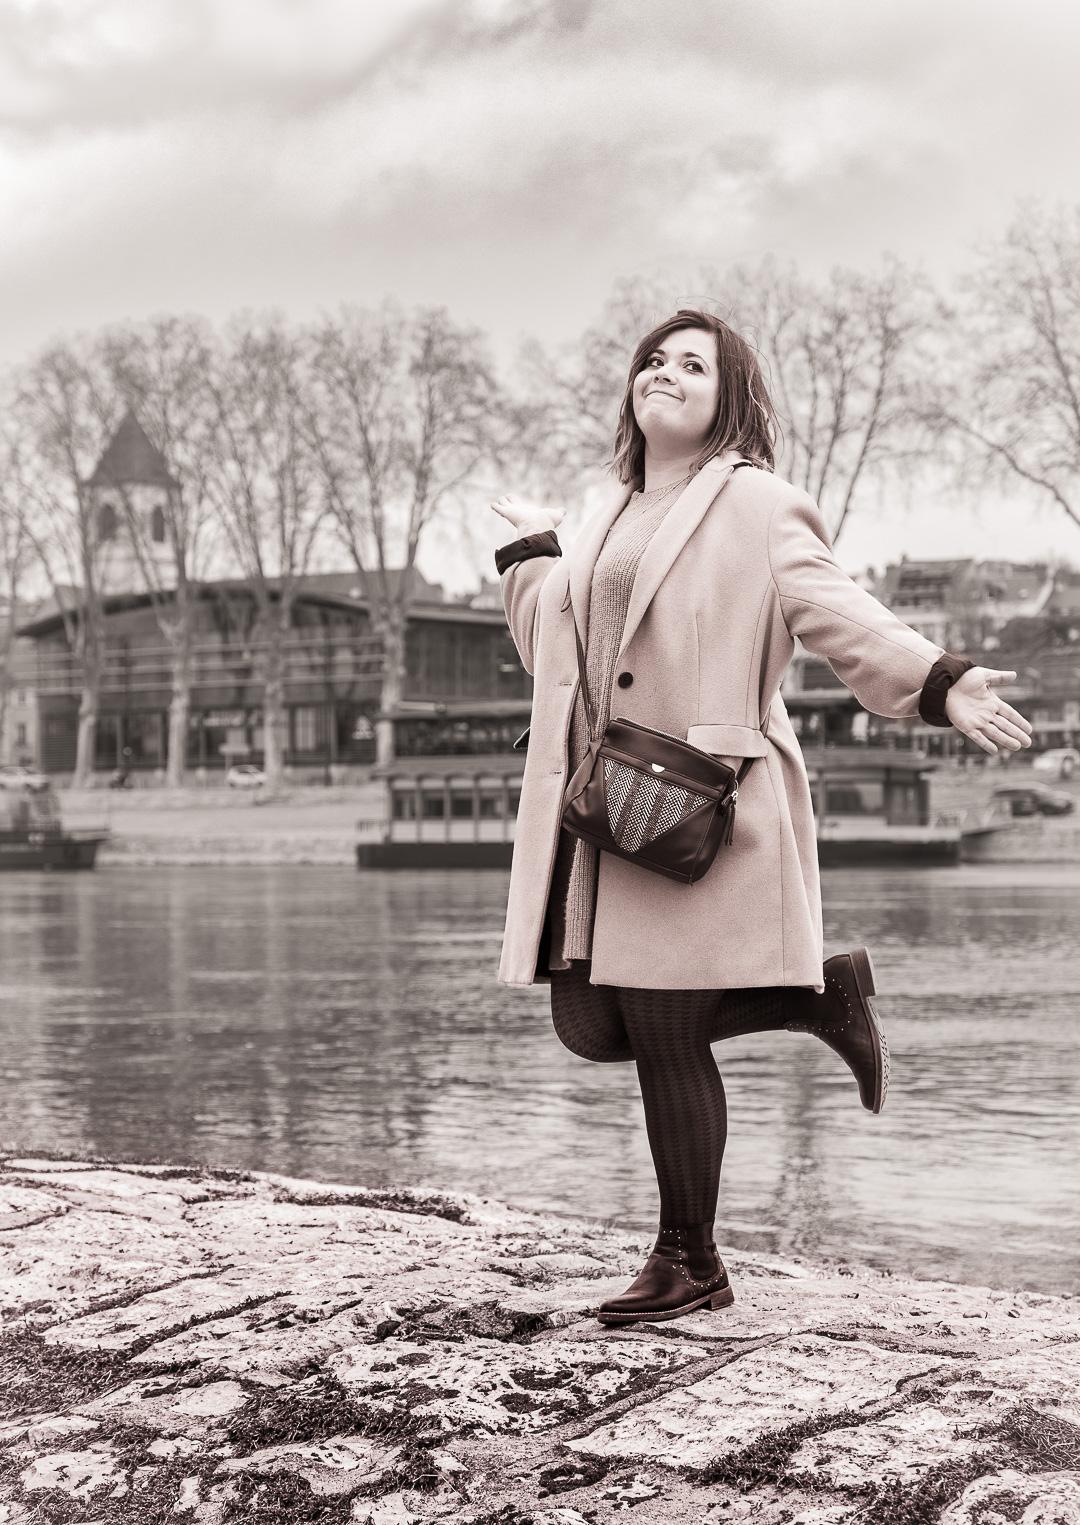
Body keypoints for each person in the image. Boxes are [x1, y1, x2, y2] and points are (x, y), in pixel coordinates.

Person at [490, 308, 1033, 1326]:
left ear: (728, 396)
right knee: (590, 1019)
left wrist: (939, 679)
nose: (664, 371)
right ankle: (818, 998)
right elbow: (548, 646)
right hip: (608, 811)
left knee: (656, 1023)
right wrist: (529, 549)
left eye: (692, 363)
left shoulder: (759, 507)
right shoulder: (605, 509)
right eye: (653, 359)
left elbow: (841, 612)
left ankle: (688, 1259)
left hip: (700, 801)